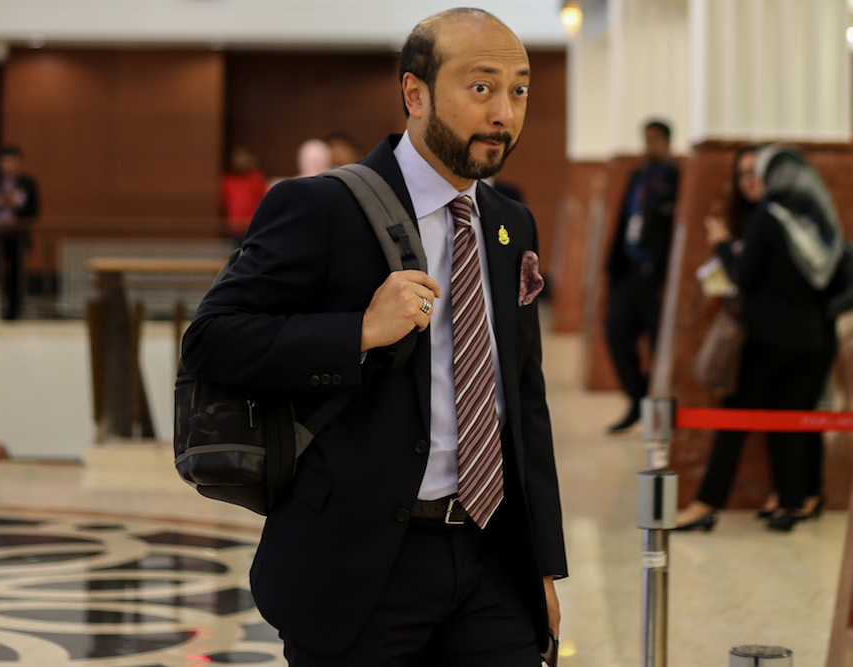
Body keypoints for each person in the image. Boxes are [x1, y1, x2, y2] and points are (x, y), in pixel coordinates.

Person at [181, 8, 566, 666]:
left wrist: (543, 564)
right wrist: (356, 332)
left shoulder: (510, 223)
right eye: (481, 87)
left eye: (519, 89)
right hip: (361, 563)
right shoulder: (322, 207)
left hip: (491, 559)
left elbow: (523, 399)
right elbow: (212, 338)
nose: (504, 110)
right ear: (415, 94)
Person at [675, 144, 842, 532]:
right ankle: (789, 505)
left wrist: (720, 244)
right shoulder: (814, 220)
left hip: (765, 339)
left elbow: (743, 278)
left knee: (734, 421)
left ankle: (706, 504)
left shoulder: (766, 219)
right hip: (810, 340)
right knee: (788, 422)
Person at [604, 120, 680, 432]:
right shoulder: (637, 175)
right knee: (616, 332)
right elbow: (625, 219)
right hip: (628, 272)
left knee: (660, 342)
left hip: (655, 276)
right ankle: (637, 397)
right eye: (646, 138)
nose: (650, 145)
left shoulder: (675, 178)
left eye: (656, 140)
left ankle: (656, 403)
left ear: (667, 142)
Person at [0, 145, 40, 320]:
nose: (8, 165)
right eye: (5, 160)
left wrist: (17, 202)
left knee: (15, 273)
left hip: (17, 235)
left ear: (19, 162)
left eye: (12, 161)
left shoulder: (28, 183)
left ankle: (14, 312)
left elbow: (34, 210)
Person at [220, 146, 268, 242]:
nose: (240, 161)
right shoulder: (227, 180)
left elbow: (264, 201)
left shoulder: (257, 178)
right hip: (234, 228)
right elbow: (224, 202)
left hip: (254, 227)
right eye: (236, 158)